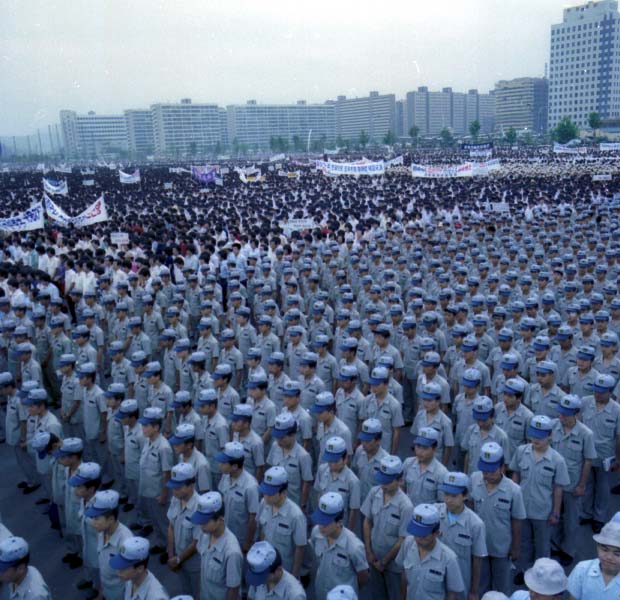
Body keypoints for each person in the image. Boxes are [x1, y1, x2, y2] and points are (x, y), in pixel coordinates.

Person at [509, 414, 570, 583]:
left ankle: (542, 577)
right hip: (522, 508)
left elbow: (558, 488)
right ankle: (525, 571)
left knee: (543, 546)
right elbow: (516, 474)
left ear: (550, 436)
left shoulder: (557, 460)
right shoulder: (522, 451)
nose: (535, 439)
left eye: (540, 436)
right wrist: (512, 500)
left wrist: (556, 512)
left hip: (543, 510)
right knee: (524, 542)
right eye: (533, 435)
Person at [470, 441, 526, 596]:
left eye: (491, 471)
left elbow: (517, 521)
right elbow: (471, 509)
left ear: (502, 468)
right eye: (484, 471)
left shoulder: (514, 490)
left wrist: (515, 547)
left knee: (501, 588)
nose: (487, 475)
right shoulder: (474, 479)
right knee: (481, 584)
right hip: (480, 545)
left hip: (502, 547)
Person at [361, 454, 413, 599]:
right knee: (377, 594)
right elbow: (367, 521)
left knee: (395, 595)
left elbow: (403, 539)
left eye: (388, 482)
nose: (383, 486)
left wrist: (384, 561)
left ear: (400, 480)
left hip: (393, 564)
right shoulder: (374, 493)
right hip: (374, 557)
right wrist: (368, 551)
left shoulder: (406, 506)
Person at [395, 503, 465, 600]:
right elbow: (404, 577)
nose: (418, 539)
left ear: (436, 533)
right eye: (416, 533)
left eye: (423, 535)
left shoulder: (449, 558)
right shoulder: (408, 544)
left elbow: (452, 594)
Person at [436, 471, 488, 599]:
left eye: (454, 495)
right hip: (435, 580)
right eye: (446, 494)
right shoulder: (434, 514)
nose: (448, 499)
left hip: (460, 582)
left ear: (465, 495)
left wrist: (474, 591)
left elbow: (477, 559)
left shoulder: (475, 524)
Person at [309, 491, 369, 600]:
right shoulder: (316, 533)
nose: (321, 526)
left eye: (325, 523)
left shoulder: (354, 547)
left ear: (339, 523)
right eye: (319, 521)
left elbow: (363, 576)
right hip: (321, 593)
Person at [190, 491, 243, 600]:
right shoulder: (205, 534)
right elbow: (203, 570)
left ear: (220, 520)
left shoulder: (232, 552)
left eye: (205, 522)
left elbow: (233, 590)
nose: (201, 525)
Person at [257, 466, 307, 578]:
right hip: (266, 565)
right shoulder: (263, 504)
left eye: (270, 494)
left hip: (284, 571)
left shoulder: (296, 516)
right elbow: (262, 533)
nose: (266, 497)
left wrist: (294, 576)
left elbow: (299, 549)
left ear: (283, 493)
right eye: (265, 492)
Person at [138, 406, 173, 554]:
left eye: (146, 425)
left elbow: (167, 473)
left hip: (158, 492)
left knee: (163, 522)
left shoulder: (163, 447)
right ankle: (160, 543)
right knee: (155, 520)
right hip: (148, 489)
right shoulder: (148, 441)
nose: (143, 428)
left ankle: (169, 549)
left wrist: (164, 494)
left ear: (156, 427)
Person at [87, 489, 133, 600]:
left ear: (111, 519)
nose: (93, 522)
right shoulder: (102, 532)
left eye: (97, 518)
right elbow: (104, 569)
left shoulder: (125, 543)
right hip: (108, 592)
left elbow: (131, 581)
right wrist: (101, 594)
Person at [215, 440, 260, 553]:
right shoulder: (226, 476)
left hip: (241, 538)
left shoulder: (250, 486)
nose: (220, 465)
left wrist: (248, 543)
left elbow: (253, 518)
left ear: (234, 466)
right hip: (225, 533)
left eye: (223, 463)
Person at [166, 462, 201, 599]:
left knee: (197, 593)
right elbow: (171, 527)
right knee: (185, 591)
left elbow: (196, 542)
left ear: (191, 485)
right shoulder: (176, 500)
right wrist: (171, 555)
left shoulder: (199, 507)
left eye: (178, 488)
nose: (174, 491)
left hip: (194, 563)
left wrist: (178, 559)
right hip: (178, 558)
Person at [568, 519, 620, 599]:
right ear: (597, 546)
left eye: (617, 554)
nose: (609, 557)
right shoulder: (582, 569)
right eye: (604, 550)